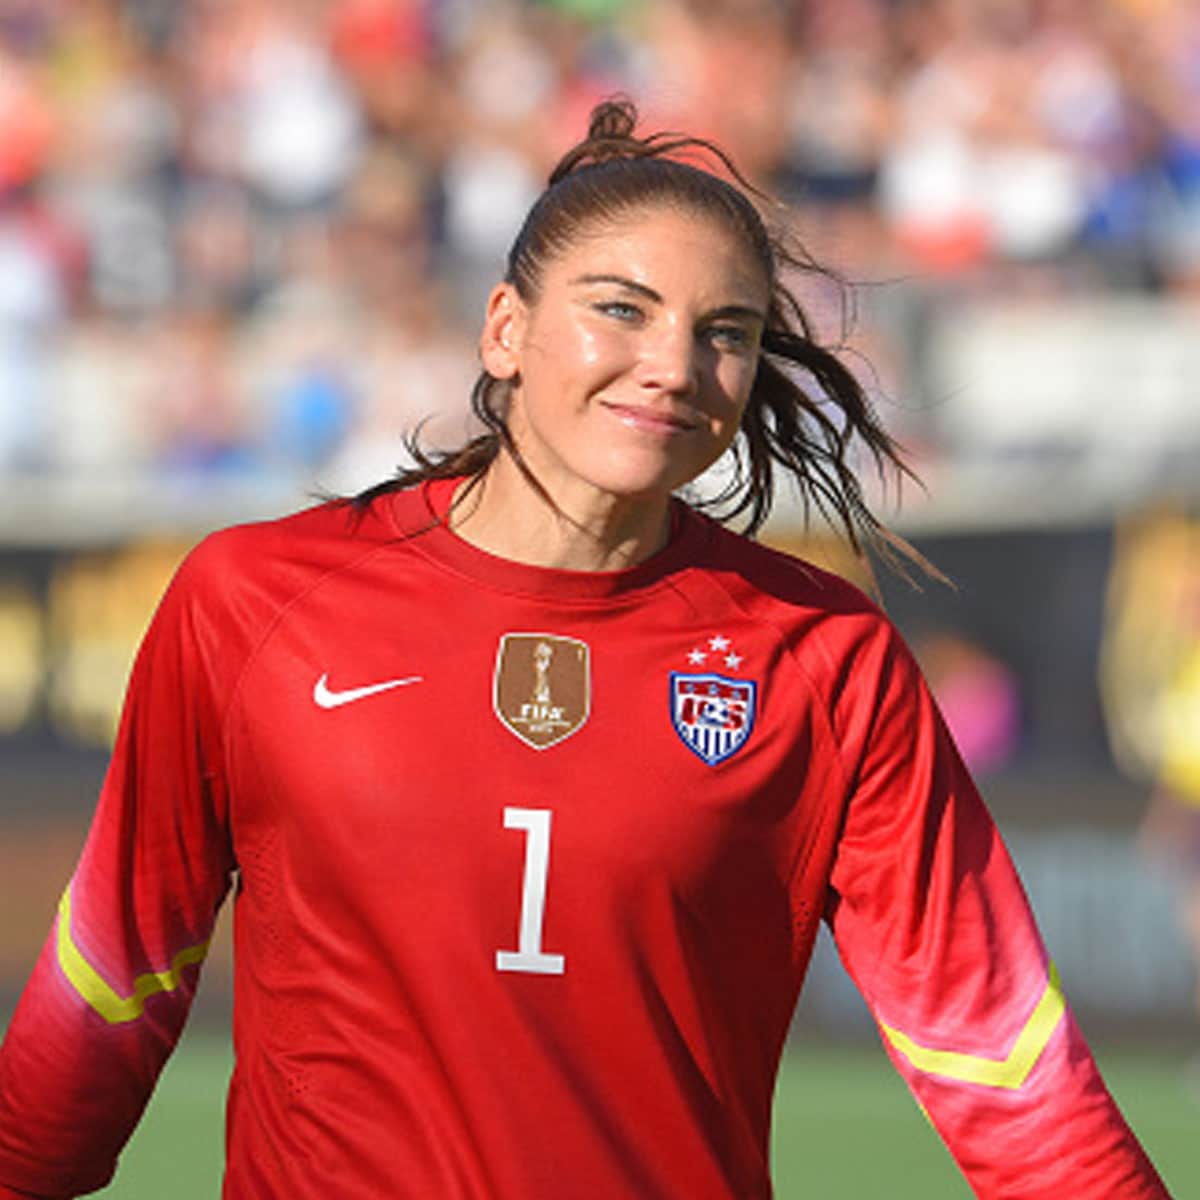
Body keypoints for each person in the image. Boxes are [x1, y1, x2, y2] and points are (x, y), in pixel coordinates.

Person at [0, 99, 1169, 1199]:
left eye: (725, 333)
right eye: (621, 308)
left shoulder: (823, 656)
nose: (673, 364)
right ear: (505, 329)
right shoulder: (253, 600)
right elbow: (113, 981)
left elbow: (1000, 1064)